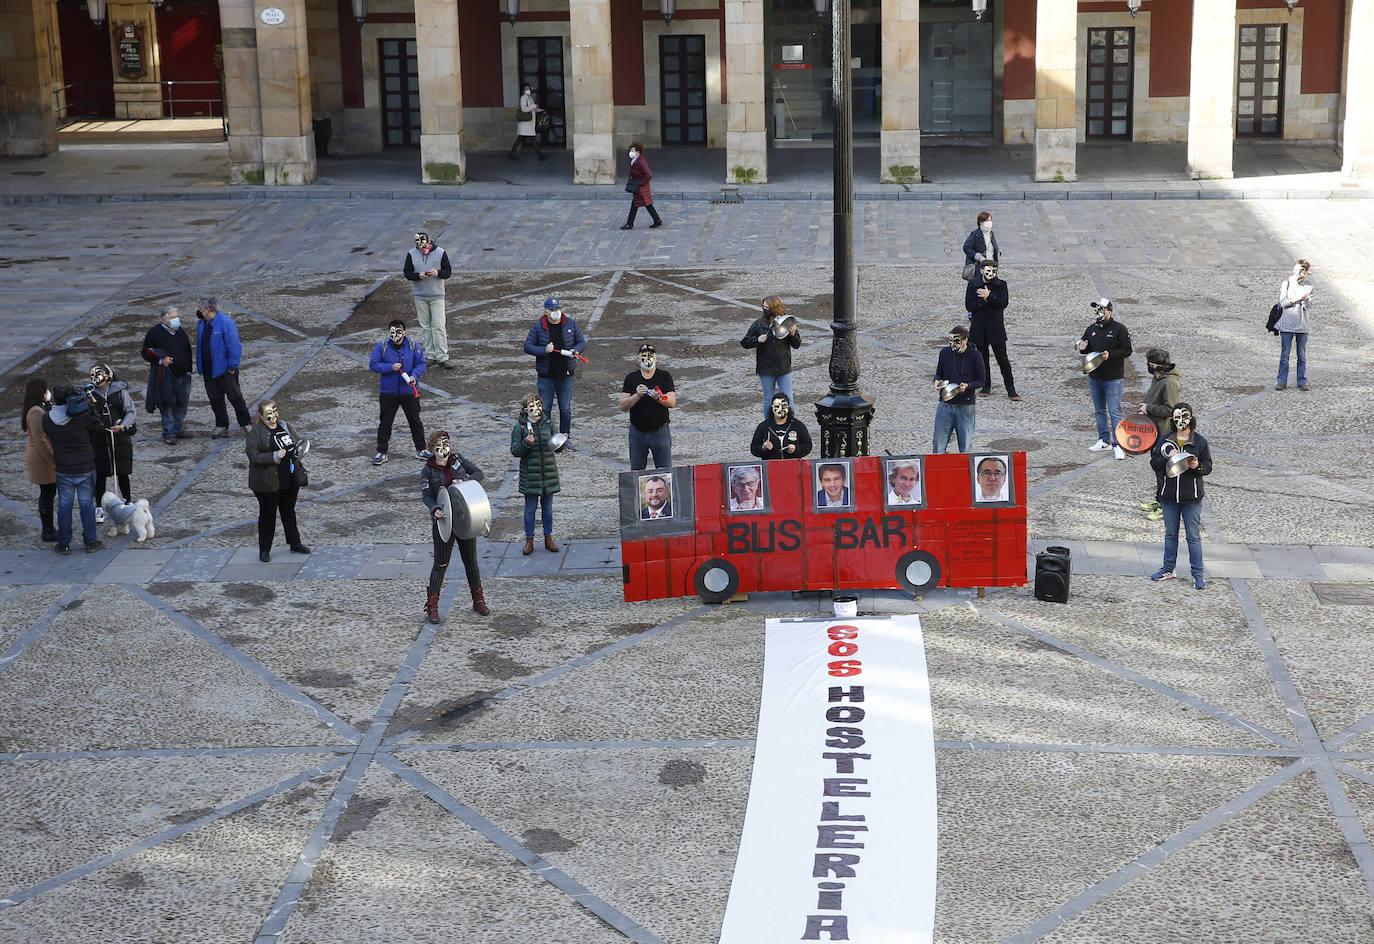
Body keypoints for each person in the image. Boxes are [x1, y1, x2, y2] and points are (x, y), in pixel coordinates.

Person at [420, 429, 489, 623]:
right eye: (439, 445)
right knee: (441, 564)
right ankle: (432, 607)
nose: (444, 448)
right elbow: (427, 496)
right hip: (444, 521)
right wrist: (434, 509)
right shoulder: (427, 470)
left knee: (471, 562)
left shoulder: (457, 460)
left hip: (465, 517)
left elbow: (478, 473)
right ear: (432, 449)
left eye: (446, 443)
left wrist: (465, 481)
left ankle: (478, 600)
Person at [1149, 403, 1212, 590]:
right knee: (1170, 534)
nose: (1180, 421)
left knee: (1193, 536)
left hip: (1191, 498)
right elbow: (1154, 463)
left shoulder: (1199, 442)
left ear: (1191, 418)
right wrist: (1169, 458)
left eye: (1184, 417)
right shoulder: (1165, 439)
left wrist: (1196, 467)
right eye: (1176, 418)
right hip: (1169, 496)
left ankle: (1198, 573)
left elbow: (1208, 467)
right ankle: (1169, 568)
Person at [246, 399, 311, 562]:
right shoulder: (256, 433)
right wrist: (273, 456)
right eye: (269, 413)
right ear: (261, 416)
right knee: (267, 515)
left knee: (289, 511)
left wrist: (300, 451)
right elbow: (253, 455)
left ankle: (295, 543)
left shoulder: (285, 426)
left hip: (289, 477)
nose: (273, 415)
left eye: (275, 410)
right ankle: (264, 550)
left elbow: (296, 443)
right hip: (267, 482)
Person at [42, 385, 104, 554]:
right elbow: (99, 428)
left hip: (63, 468)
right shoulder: (82, 417)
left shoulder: (48, 419)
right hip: (85, 466)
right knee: (87, 505)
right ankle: (91, 540)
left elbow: (47, 433)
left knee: (64, 505)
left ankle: (64, 543)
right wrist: (92, 405)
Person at [523, 297, 586, 440]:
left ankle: (565, 436)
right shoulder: (538, 327)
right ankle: (545, 437)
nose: (556, 312)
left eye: (557, 309)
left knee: (565, 408)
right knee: (545, 409)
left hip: (566, 375)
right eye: (552, 310)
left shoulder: (570, 323)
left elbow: (581, 342)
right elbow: (527, 346)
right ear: (546, 311)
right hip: (546, 376)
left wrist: (576, 350)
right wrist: (544, 350)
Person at [1077, 298, 1132, 460]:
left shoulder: (1119, 329)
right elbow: (1083, 344)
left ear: (1109, 312)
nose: (1098, 312)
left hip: (1113, 378)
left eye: (1101, 309)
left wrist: (1111, 354)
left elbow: (1127, 350)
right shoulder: (1091, 329)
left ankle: (1118, 444)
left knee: (1115, 412)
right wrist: (1081, 347)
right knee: (1099, 410)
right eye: (1097, 310)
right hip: (1095, 377)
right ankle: (1104, 440)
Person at [370, 319, 429, 465]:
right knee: (385, 423)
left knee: (415, 421)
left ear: (404, 332)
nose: (395, 335)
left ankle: (421, 449)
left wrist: (414, 376)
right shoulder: (382, 346)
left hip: (409, 392)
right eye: (392, 332)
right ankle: (382, 452)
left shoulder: (413, 346)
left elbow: (421, 363)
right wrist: (391, 367)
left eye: (398, 332)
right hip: (388, 393)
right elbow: (373, 364)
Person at [195, 296, 253, 438]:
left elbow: (234, 346)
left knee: (236, 398)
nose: (198, 311)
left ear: (208, 310)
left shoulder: (226, 323)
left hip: (225, 370)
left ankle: (247, 424)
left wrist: (232, 367)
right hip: (209, 371)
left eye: (200, 308)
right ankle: (222, 425)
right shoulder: (202, 323)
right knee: (215, 399)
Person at [511, 393, 559, 556]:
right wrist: (526, 443)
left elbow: (556, 448)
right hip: (530, 475)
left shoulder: (548, 423)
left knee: (548, 509)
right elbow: (515, 450)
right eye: (532, 406)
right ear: (525, 410)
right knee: (530, 509)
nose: (537, 408)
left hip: (548, 473)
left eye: (538, 405)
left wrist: (560, 441)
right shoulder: (520, 428)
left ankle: (548, 537)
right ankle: (529, 540)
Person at [1137, 348, 1181, 520]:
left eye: (1149, 363)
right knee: (1157, 469)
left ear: (1155, 365)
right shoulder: (1157, 378)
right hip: (1153, 430)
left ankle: (1166, 507)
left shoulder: (1169, 383)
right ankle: (1159, 500)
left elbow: (1171, 409)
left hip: (1164, 434)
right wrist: (1145, 409)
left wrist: (1149, 408)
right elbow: (1153, 400)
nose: (1147, 365)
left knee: (1164, 471)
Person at [740, 296, 802, 416]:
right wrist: (757, 339)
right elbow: (745, 342)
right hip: (766, 368)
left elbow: (796, 344)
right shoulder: (759, 324)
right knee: (768, 399)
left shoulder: (786, 322)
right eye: (763, 307)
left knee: (788, 398)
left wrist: (793, 334)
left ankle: (790, 422)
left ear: (775, 308)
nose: (765, 310)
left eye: (767, 308)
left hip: (783, 367)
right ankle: (768, 425)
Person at [619, 343, 676, 471]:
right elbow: (622, 405)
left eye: (651, 356)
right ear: (637, 359)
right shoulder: (631, 378)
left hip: (660, 432)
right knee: (637, 472)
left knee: (665, 472)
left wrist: (659, 398)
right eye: (643, 355)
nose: (647, 358)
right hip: (637, 433)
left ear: (657, 359)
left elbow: (671, 402)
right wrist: (637, 395)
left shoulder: (664, 376)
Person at [141, 305, 193, 444]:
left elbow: (187, 350)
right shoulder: (154, 333)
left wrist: (189, 368)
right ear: (164, 320)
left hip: (184, 375)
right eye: (172, 317)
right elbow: (145, 352)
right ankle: (169, 433)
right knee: (167, 404)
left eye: (177, 316)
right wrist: (160, 360)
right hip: (166, 376)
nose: (176, 320)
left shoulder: (180, 331)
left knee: (182, 403)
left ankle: (178, 428)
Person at [87, 364, 135, 512]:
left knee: (122, 473)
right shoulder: (89, 394)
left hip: (120, 440)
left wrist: (123, 426)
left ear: (107, 376)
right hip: (99, 440)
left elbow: (130, 411)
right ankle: (99, 507)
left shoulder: (119, 392)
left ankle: (127, 501)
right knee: (100, 475)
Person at [966, 260, 1018, 400]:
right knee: (983, 360)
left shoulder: (1001, 285)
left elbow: (1003, 303)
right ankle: (986, 385)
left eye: (994, 270)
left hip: (995, 328)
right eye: (988, 270)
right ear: (982, 270)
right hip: (979, 327)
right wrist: (983, 301)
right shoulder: (973, 284)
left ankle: (1011, 389)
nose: (991, 273)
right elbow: (969, 305)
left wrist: (990, 297)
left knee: (1003, 360)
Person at [403, 232, 454, 370]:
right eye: (419, 246)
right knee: (426, 327)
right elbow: (407, 273)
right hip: (420, 296)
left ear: (429, 241)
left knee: (439, 326)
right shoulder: (411, 254)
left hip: (437, 295)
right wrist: (417, 276)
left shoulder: (440, 253)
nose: (422, 248)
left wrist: (438, 273)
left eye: (423, 245)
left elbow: (448, 272)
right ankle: (431, 356)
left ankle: (443, 357)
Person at [932, 325, 985, 454]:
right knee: (938, 446)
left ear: (965, 340)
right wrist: (937, 381)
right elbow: (939, 372)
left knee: (965, 448)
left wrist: (968, 386)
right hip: (945, 404)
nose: (953, 345)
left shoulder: (975, 356)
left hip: (965, 406)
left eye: (956, 341)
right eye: (950, 341)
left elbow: (982, 380)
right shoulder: (945, 353)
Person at [22, 377, 57, 542]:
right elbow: (40, 439)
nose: (48, 392)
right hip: (41, 458)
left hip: (43, 456)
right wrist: (52, 459)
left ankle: (49, 528)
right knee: (47, 494)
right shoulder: (36, 411)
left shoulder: (40, 407)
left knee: (48, 493)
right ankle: (48, 529)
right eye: (45, 389)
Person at [1275, 259, 1313, 391]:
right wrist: (1298, 298)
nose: (1298, 273)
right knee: (1285, 354)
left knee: (1301, 355)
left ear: (1306, 273)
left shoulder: (1308, 286)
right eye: (1296, 269)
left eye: (1301, 270)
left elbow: (1308, 306)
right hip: (1287, 324)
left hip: (1302, 325)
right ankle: (1281, 381)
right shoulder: (1286, 283)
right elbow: (1283, 302)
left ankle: (1302, 381)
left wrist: (1306, 300)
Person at [750, 392, 812, 461]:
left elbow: (808, 446)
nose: (780, 409)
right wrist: (763, 448)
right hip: (771, 467)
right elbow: (753, 448)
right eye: (777, 406)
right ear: (772, 407)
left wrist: (796, 449)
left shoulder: (798, 425)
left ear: (788, 407)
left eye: (784, 406)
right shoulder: (763, 426)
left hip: (793, 467)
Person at [620, 142, 663, 230]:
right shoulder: (636, 160)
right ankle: (657, 220)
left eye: (632, 150)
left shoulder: (640, 161)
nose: (630, 152)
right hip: (640, 186)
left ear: (638, 151)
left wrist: (640, 183)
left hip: (640, 187)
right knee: (647, 204)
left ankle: (629, 224)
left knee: (635, 204)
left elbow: (648, 174)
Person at [507, 83, 547, 161]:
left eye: (528, 88)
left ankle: (512, 154)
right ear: (523, 90)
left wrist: (540, 110)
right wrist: (534, 106)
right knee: (530, 138)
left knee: (521, 139)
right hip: (525, 123)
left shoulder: (530, 98)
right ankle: (539, 155)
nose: (528, 90)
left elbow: (533, 109)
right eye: (526, 89)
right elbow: (524, 109)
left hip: (529, 123)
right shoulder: (523, 98)